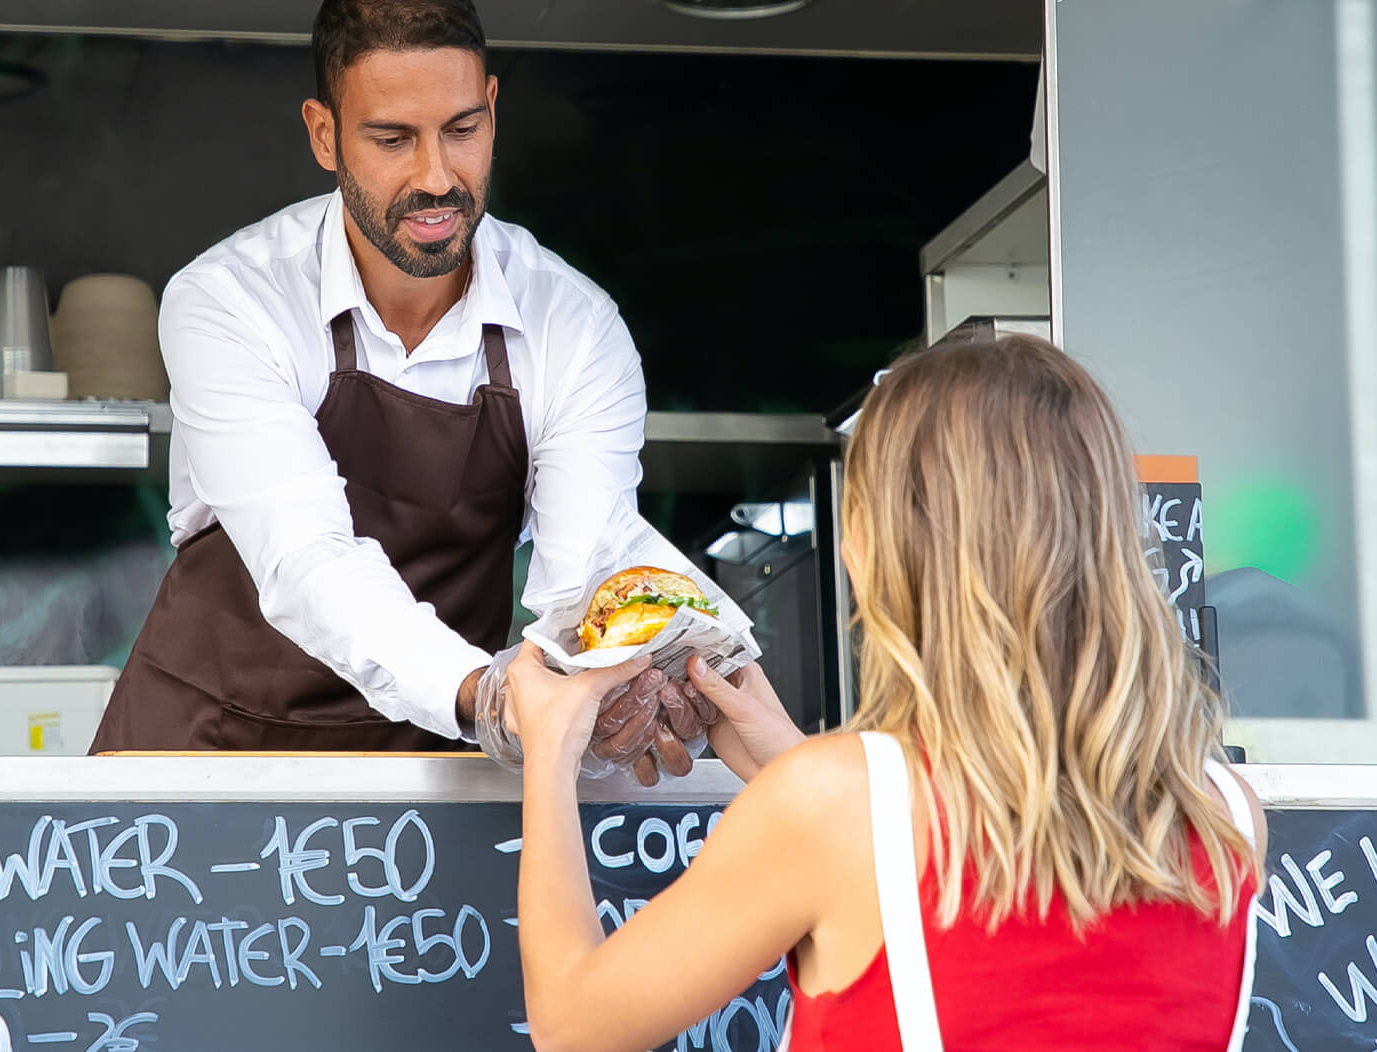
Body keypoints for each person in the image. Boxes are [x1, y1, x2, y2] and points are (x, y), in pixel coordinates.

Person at [506, 334, 1268, 1051]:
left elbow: (574, 1025)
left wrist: (549, 749)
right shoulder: (1228, 815)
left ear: (881, 546)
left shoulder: (828, 806)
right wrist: (793, 760)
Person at [89, 0, 653, 754]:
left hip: (433, 773)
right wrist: (483, 695)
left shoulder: (575, 326)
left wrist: (608, 688)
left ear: (492, 107)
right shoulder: (230, 299)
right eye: (393, 139)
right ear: (324, 135)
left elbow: (580, 584)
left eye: (462, 131)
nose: (436, 178)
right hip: (206, 755)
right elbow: (306, 556)